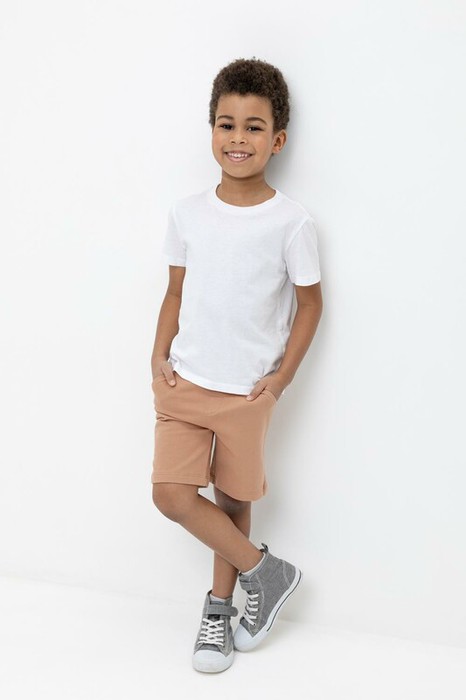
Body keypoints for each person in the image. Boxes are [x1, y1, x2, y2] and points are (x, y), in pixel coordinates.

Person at [150, 57, 323, 673]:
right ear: (212, 131)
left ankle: (220, 611)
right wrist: (156, 355)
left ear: (277, 140)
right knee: (171, 495)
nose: (238, 138)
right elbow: (175, 291)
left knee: (232, 499)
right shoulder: (187, 213)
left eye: (254, 127)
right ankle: (267, 572)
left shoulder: (291, 222)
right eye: (227, 124)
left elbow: (310, 305)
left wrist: (279, 382)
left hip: (247, 392)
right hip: (185, 380)